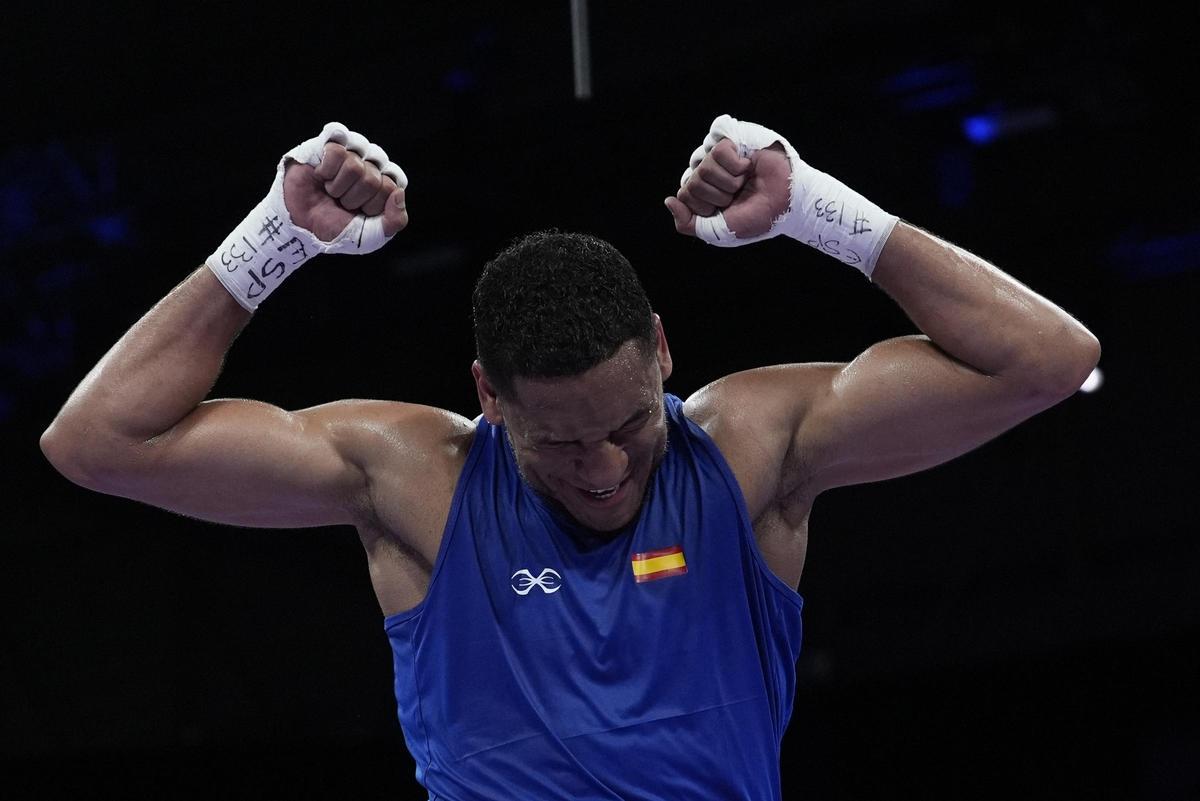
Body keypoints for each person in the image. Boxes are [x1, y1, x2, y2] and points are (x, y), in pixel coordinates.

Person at [40, 115, 1100, 800]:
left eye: (629, 426)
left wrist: (824, 213)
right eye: (556, 442)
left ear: (664, 353)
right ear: (487, 397)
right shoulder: (419, 476)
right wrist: (275, 236)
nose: (600, 467)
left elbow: (1048, 361)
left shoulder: (746, 448)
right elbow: (96, 442)